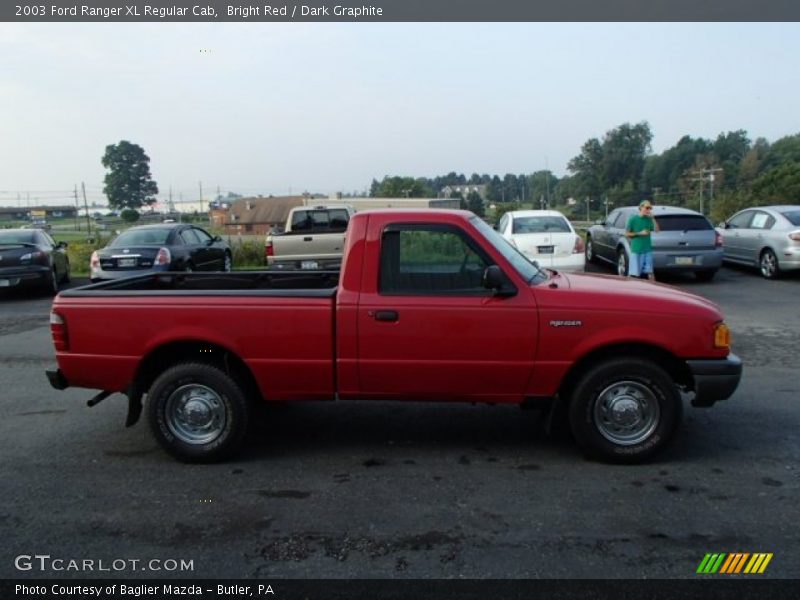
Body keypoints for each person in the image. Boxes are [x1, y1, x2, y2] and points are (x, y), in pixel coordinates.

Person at [625, 200, 660, 280]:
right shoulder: (633, 219)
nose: (648, 210)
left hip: (647, 250)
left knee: (650, 272)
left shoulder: (649, 219)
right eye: (647, 208)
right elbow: (627, 234)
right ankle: (633, 290)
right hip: (636, 250)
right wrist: (640, 233)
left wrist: (653, 219)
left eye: (650, 208)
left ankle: (653, 290)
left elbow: (657, 230)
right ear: (641, 207)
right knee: (634, 274)